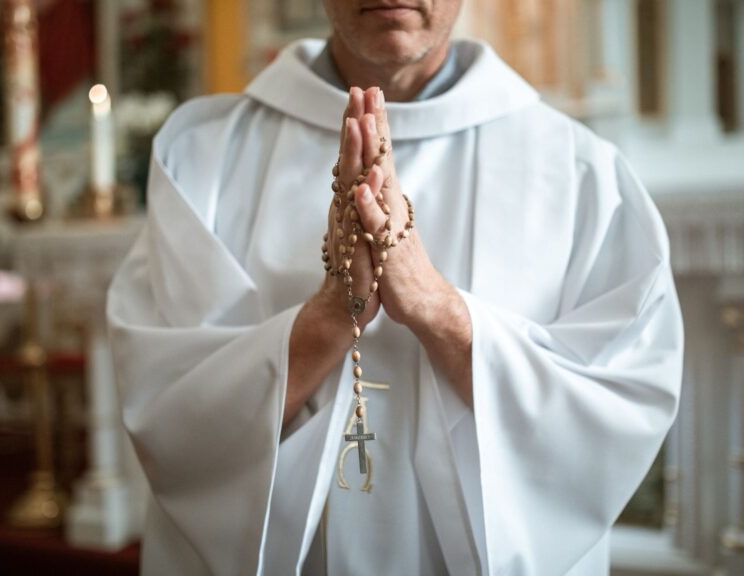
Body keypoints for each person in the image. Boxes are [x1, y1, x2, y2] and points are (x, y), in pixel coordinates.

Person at [107, 1, 684, 575]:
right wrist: (331, 317)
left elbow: (614, 408)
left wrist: (438, 309)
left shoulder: (581, 171)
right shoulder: (203, 157)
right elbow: (169, 405)